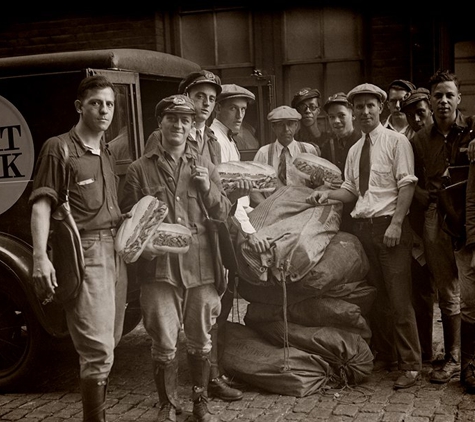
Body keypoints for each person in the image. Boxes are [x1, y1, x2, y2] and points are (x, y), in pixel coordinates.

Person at [120, 94, 231, 422]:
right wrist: (144, 245)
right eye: (172, 118)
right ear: (161, 123)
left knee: (200, 338)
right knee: (164, 341)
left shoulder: (202, 164)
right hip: (159, 270)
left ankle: (200, 402)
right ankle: (167, 405)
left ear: (192, 124)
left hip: (200, 266)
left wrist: (208, 186)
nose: (179, 125)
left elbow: (223, 210)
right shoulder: (140, 169)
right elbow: (128, 219)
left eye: (186, 120)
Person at [306, 82, 422, 389]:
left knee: (399, 299)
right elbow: (351, 190)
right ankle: (389, 355)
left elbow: (407, 185)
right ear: (354, 112)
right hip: (364, 231)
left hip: (390, 228)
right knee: (378, 297)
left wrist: (397, 224)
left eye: (370, 105)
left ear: (380, 108)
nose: (365, 111)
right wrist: (325, 195)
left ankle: (411, 364)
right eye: (359, 106)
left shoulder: (397, 142)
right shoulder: (356, 150)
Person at [29, 75, 128, 421]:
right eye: (96, 103)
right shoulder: (60, 148)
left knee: (110, 342)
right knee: (97, 351)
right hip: (84, 253)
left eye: (110, 104)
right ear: (79, 106)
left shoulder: (109, 151)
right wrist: (40, 257)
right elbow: (42, 204)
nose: (104, 110)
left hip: (116, 252)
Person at [178, 70, 243, 402]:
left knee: (214, 304)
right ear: (187, 96)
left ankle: (210, 375)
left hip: (211, 233)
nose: (205, 103)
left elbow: (217, 191)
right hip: (183, 239)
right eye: (199, 96)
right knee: (179, 314)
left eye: (211, 98)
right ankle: (196, 381)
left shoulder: (209, 140)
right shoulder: (170, 133)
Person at [411, 70, 475, 389]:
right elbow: (413, 185)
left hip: (468, 216)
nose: (444, 100)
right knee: (447, 291)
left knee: (471, 292)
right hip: (436, 217)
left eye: (449, 94)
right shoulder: (419, 140)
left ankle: (470, 362)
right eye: (438, 95)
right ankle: (452, 356)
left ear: (458, 98)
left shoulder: (473, 130)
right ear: (430, 100)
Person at [210, 83, 269, 251]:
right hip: (230, 221)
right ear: (218, 108)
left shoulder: (228, 137)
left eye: (243, 110)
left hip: (241, 214)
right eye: (233, 109)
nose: (239, 116)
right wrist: (249, 231)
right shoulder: (216, 140)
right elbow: (226, 196)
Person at [400, 87, 435, 364]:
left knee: (451, 292)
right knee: (421, 288)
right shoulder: (408, 143)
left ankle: (457, 352)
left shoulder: (445, 139)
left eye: (421, 113)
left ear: (430, 110)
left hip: (446, 223)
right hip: (418, 225)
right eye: (411, 116)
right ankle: (424, 348)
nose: (417, 120)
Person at [251, 105, 319, 206]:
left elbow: (320, 185)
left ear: (296, 126)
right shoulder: (263, 153)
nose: (286, 129)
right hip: (272, 208)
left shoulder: (308, 150)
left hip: (304, 208)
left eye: (290, 124)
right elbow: (253, 189)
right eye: (280, 125)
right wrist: (267, 206)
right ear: (273, 127)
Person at [321, 92, 361, 233]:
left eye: (341, 115)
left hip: (360, 213)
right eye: (332, 117)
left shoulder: (363, 143)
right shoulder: (327, 145)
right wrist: (325, 182)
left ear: (353, 115)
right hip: (336, 211)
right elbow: (323, 176)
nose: (336, 121)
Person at [291, 87, 332, 155]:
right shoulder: (293, 140)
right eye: (302, 107)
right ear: (297, 112)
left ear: (318, 111)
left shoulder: (329, 140)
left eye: (312, 107)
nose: (307, 111)